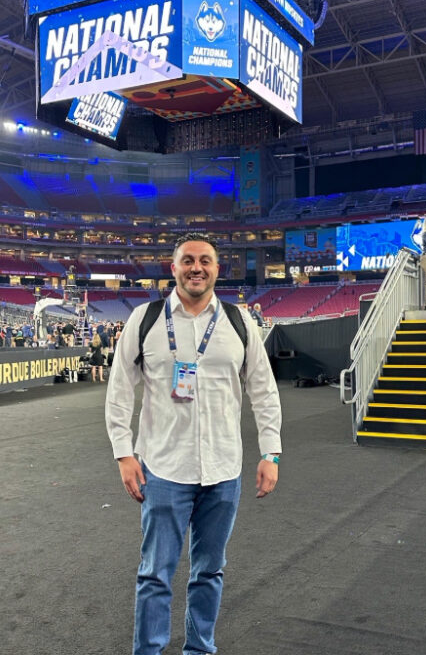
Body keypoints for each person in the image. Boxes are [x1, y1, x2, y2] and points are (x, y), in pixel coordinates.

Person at [106, 234, 282, 655]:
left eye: (205, 260)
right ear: (174, 268)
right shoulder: (145, 320)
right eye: (188, 260)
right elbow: (118, 390)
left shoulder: (239, 323)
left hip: (223, 471)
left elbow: (264, 390)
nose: (196, 268)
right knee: (155, 575)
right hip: (163, 469)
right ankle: (148, 650)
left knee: (210, 572)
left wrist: (270, 452)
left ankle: (200, 649)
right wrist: (123, 452)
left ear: (218, 269)